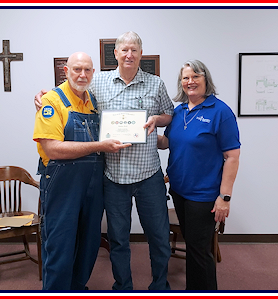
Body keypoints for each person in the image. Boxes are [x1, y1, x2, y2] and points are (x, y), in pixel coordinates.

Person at [35, 32, 174, 290]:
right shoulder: (97, 82)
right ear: (116, 54)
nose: (129, 55)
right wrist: (44, 96)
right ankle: (123, 287)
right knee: (113, 239)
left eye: (134, 50)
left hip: (147, 173)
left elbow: (169, 114)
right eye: (124, 50)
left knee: (156, 237)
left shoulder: (156, 84)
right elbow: (67, 94)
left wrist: (157, 120)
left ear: (140, 54)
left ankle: (159, 287)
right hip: (113, 177)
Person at [33, 52, 131, 290]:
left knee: (89, 243)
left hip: (92, 185)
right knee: (60, 243)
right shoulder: (52, 102)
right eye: (77, 69)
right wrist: (100, 146)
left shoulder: (93, 101)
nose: (82, 74)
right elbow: (53, 148)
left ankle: (77, 287)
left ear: (93, 73)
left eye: (87, 70)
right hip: (62, 184)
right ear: (66, 72)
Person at [157, 60, 241, 290]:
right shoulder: (179, 110)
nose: (190, 81)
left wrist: (224, 197)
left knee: (200, 251)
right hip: (179, 191)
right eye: (185, 78)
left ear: (206, 80)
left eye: (196, 76)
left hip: (203, 195)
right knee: (193, 246)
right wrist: (141, 132)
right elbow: (166, 142)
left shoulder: (220, 111)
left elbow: (232, 157)